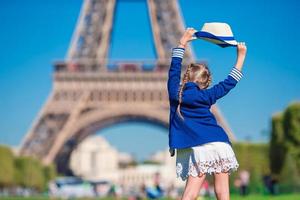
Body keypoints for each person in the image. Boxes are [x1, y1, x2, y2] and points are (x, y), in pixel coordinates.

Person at [167, 27, 247, 200]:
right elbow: (230, 82)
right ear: (204, 83)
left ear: (186, 78)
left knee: (190, 193)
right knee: (222, 192)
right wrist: (240, 56)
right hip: (219, 144)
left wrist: (183, 42)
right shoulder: (207, 95)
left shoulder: (175, 92)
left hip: (198, 147)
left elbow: (173, 70)